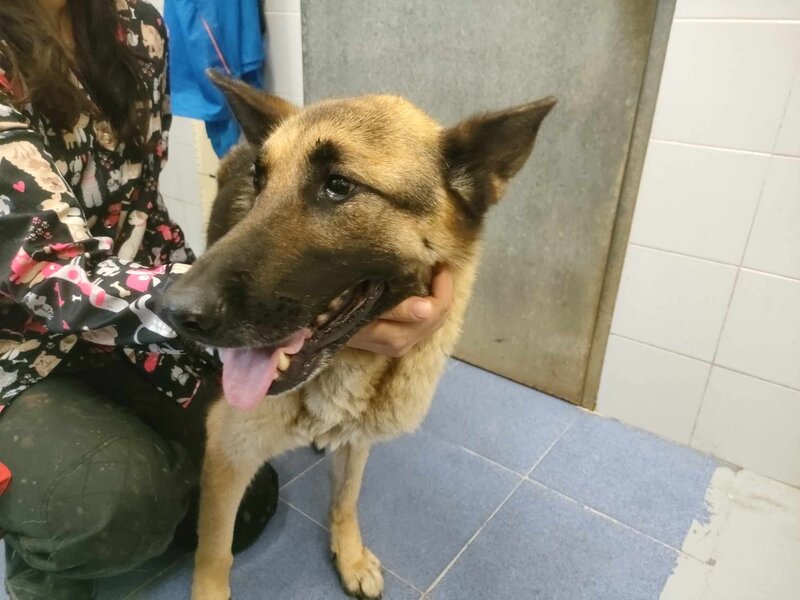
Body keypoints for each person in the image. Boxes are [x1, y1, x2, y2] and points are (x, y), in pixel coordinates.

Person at [0, 1, 453, 598]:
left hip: (136, 326)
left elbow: (139, 205)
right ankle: (40, 563)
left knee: (249, 502)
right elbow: (40, 268)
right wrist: (201, 301)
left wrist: (218, 291)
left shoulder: (137, 27)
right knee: (113, 506)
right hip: (22, 346)